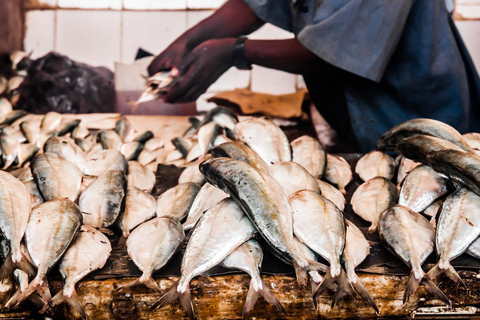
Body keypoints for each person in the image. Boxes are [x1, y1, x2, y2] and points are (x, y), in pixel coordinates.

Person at [148, 0, 480, 152]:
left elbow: (340, 51)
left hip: (419, 114)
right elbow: (259, 3)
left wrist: (234, 51)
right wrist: (189, 41)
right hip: (362, 119)